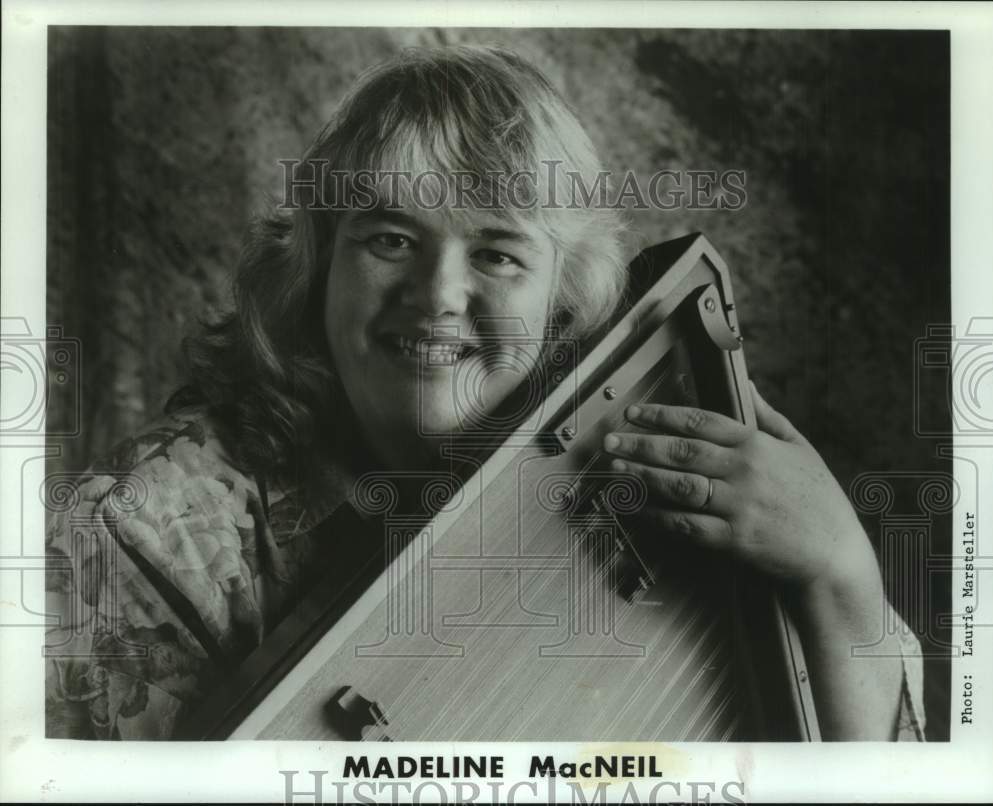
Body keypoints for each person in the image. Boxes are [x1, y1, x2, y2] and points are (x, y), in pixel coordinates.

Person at [45, 45, 924, 741]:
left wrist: (841, 577)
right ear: (316, 267)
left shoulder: (651, 452)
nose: (435, 297)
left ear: (564, 298)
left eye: (499, 253)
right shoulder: (137, 535)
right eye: (390, 238)